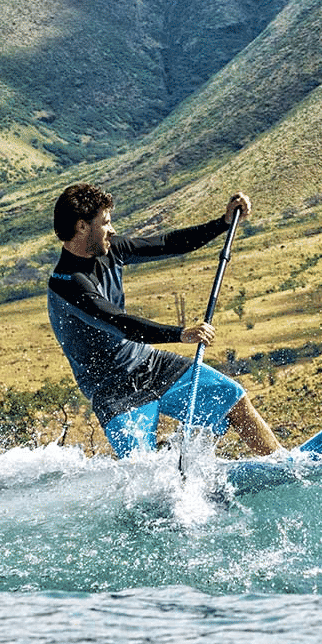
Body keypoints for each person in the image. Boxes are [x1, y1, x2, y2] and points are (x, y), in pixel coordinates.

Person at [47, 183, 282, 458]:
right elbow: (120, 323)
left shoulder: (112, 250)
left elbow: (167, 243)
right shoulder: (67, 283)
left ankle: (281, 463)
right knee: (143, 467)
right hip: (113, 391)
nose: (111, 229)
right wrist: (180, 334)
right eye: (105, 222)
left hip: (150, 364)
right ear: (82, 227)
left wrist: (223, 223)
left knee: (233, 399)